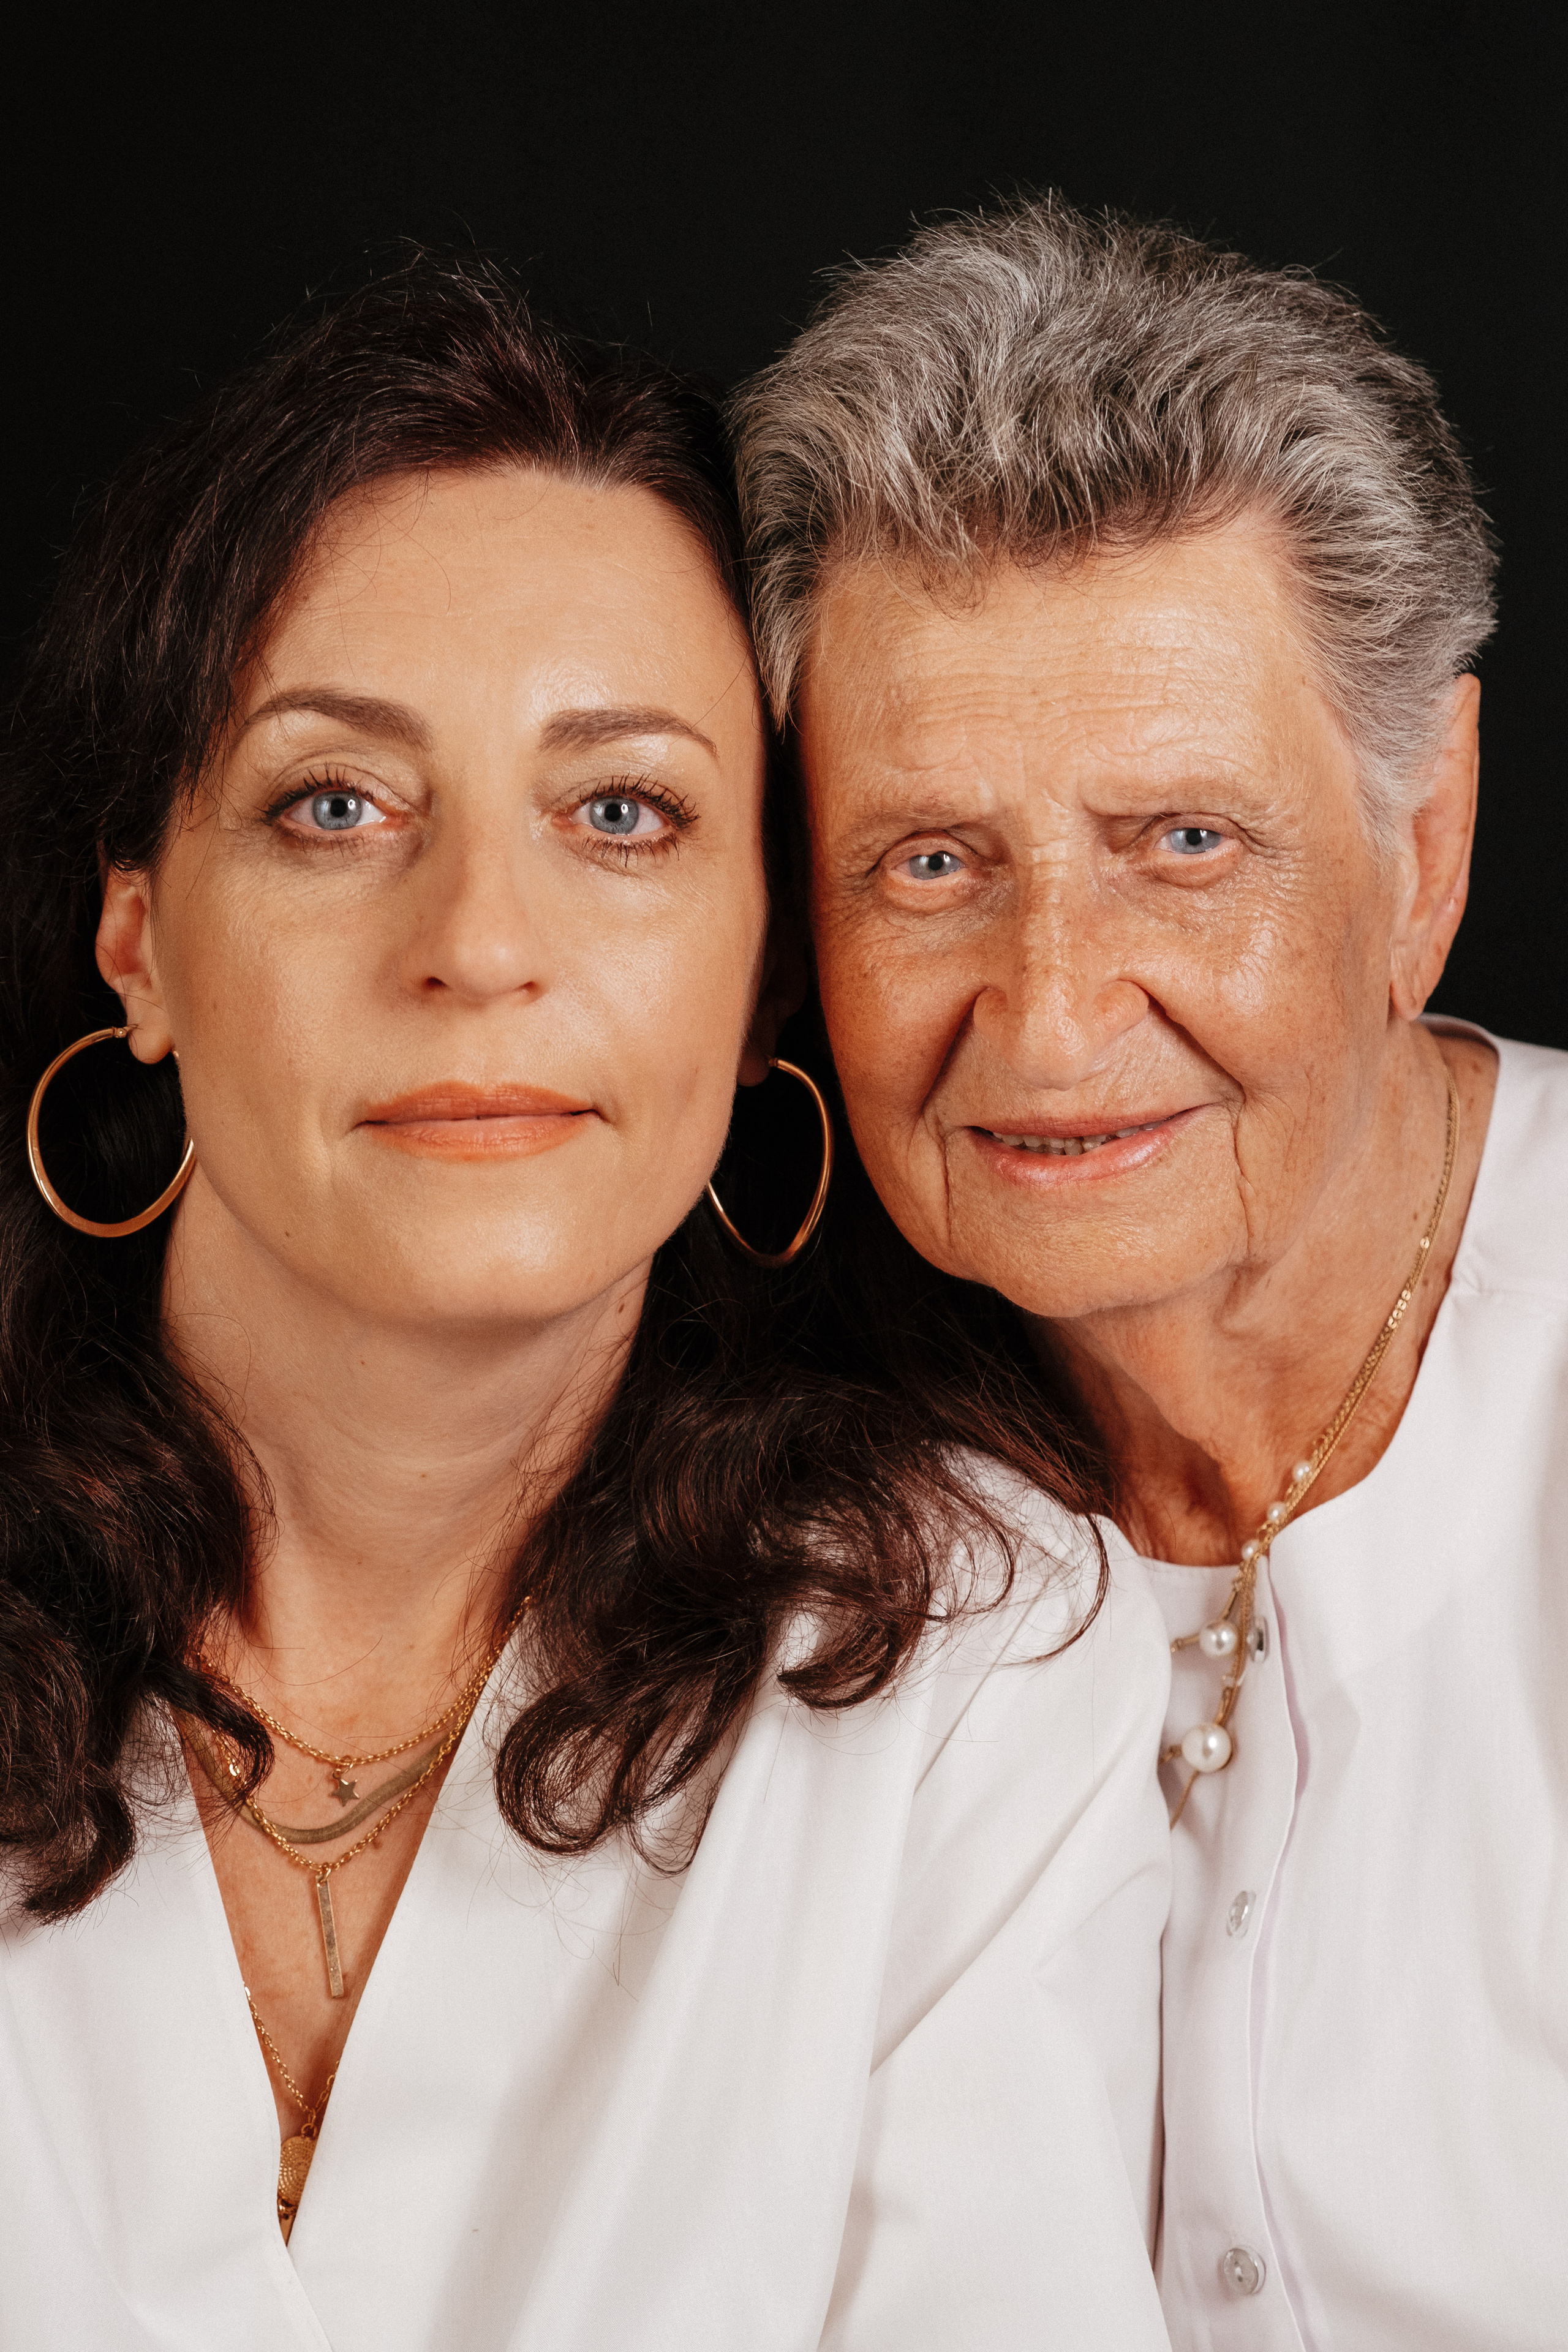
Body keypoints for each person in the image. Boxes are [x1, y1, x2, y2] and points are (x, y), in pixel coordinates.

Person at [0, 260, 1172, 2351]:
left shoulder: (965, 1681)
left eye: (620, 813)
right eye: (333, 804)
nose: (478, 943)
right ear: (139, 939)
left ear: (762, 976)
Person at [733, 195, 1568, 2351]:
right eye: (931, 864)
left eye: (1183, 845)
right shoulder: (751, 1475)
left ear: (1426, 848)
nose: (1048, 1011)